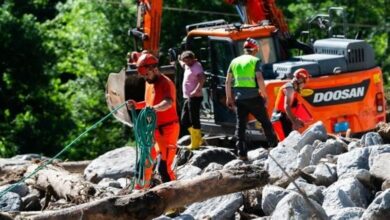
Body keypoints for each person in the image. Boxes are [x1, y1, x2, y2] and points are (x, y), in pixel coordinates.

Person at [126, 52, 179, 189]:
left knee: (164, 168)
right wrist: (137, 105)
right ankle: (140, 193)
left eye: (146, 75)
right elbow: (149, 102)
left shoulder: (166, 83)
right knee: (143, 163)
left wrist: (154, 109)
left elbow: (168, 102)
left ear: (154, 69)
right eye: (143, 76)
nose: (145, 78)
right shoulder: (149, 83)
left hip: (167, 130)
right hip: (153, 130)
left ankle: (175, 199)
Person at [225, 38, 278, 160]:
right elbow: (259, 78)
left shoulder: (234, 61)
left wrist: (229, 98)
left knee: (241, 125)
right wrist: (264, 95)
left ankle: (242, 153)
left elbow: (228, 81)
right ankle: (274, 146)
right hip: (254, 97)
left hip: (239, 98)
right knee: (265, 122)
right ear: (255, 50)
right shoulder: (255, 60)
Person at [271, 68, 311, 141]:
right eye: (304, 82)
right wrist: (294, 122)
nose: (304, 85)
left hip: (285, 118)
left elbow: (292, 107)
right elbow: (287, 107)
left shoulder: (293, 89)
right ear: (300, 80)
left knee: (290, 142)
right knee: (285, 144)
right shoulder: (289, 89)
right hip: (280, 119)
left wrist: (296, 119)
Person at [179, 50, 205, 150]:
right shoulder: (187, 65)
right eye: (185, 61)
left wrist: (196, 90)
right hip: (188, 97)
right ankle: (199, 138)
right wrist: (178, 59)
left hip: (195, 97)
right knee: (184, 120)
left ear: (192, 58)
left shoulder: (196, 66)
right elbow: (182, 64)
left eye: (188, 60)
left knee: (194, 119)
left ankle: (195, 143)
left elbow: (202, 79)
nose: (187, 63)